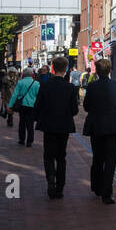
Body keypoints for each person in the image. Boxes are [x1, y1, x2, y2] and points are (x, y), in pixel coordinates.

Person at [83, 58, 116, 205]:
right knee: (110, 160)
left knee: (97, 157)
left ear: (97, 72)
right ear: (110, 71)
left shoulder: (92, 87)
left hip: (97, 127)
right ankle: (107, 193)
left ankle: (96, 186)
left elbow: (86, 106)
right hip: (114, 127)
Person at [33, 55, 79, 199]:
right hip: (64, 125)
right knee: (61, 156)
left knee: (48, 155)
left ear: (52, 68)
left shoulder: (45, 85)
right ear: (66, 69)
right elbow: (74, 110)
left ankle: (50, 181)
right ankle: (60, 187)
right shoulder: (70, 87)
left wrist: (39, 117)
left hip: (48, 125)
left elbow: (38, 105)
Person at [8, 67, 40, 146]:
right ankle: (29, 141)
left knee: (22, 123)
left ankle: (21, 140)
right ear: (32, 74)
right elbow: (38, 96)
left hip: (22, 105)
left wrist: (10, 106)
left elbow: (14, 95)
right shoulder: (36, 83)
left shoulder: (20, 82)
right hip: (32, 106)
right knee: (30, 124)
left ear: (23, 74)